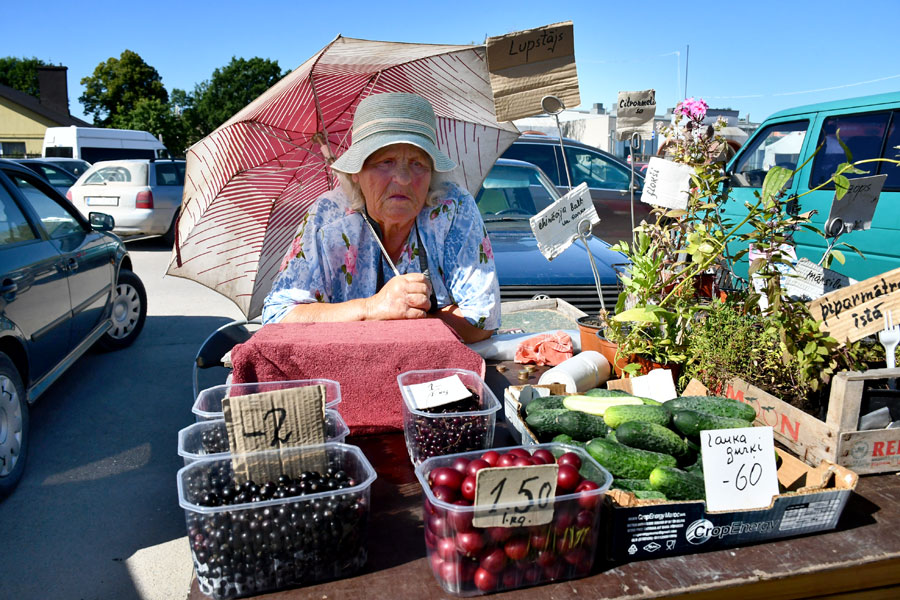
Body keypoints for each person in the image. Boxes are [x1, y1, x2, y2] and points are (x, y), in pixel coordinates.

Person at [262, 92, 500, 343]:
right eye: (386, 162)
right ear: (356, 171)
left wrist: (402, 322)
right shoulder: (328, 218)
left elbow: (483, 320)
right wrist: (372, 308)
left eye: (418, 163)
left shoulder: (453, 209)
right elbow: (279, 317)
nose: (404, 179)